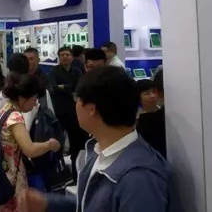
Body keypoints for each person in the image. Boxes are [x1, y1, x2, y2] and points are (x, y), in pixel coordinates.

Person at [19, 67, 171, 212]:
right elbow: (94, 204)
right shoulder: (99, 151)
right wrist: (49, 204)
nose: (76, 104)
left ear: (92, 109)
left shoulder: (139, 178)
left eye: (78, 98)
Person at [0, 73, 61, 212]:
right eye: (34, 99)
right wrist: (50, 144)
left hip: (1, 174)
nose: (35, 103)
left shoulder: (5, 109)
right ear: (22, 98)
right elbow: (29, 149)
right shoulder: (15, 117)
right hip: (12, 178)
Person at [48, 47, 86, 180]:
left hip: (74, 114)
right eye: (62, 55)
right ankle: (58, 176)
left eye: (67, 54)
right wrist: (70, 88)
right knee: (57, 144)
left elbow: (80, 87)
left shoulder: (77, 71)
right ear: (59, 57)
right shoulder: (53, 71)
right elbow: (53, 88)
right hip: (59, 113)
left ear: (71, 57)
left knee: (77, 146)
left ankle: (76, 176)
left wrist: (64, 87)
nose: (65, 57)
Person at [136, 70, 166, 158]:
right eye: (147, 94)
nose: (152, 96)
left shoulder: (164, 112)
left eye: (154, 92)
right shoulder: (138, 121)